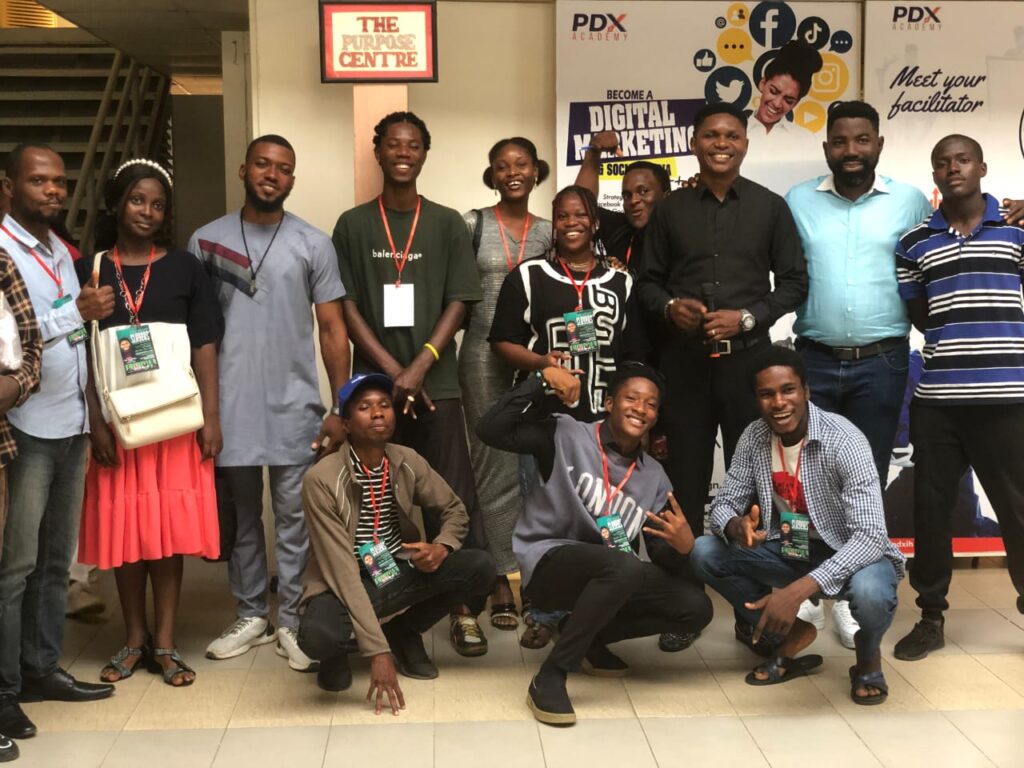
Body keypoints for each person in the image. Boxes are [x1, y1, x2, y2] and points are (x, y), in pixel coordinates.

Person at [189, 134, 350, 671]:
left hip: (294, 407)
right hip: (228, 408)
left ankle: (293, 621)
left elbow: (333, 330)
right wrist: (203, 411)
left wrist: (339, 405)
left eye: (283, 168)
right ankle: (252, 613)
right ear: (243, 170)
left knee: (292, 518)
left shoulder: (312, 242)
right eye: (263, 164)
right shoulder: (206, 242)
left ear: (292, 179)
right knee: (239, 519)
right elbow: (196, 334)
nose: (272, 174)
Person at [332, 111, 490, 657]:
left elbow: (460, 301)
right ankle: (386, 612)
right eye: (394, 144)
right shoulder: (352, 224)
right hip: (374, 393)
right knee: (376, 503)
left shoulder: (447, 223)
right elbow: (346, 306)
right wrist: (390, 375)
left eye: (414, 145)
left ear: (425, 153)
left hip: (436, 383)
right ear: (377, 152)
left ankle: (464, 611)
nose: (403, 152)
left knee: (451, 494)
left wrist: (421, 362)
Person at [477, 362, 712, 726]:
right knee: (623, 566)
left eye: (650, 404)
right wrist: (539, 379)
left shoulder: (654, 477)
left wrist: (684, 547)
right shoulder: (566, 433)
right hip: (549, 564)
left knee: (696, 607)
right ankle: (551, 676)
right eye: (631, 398)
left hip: (612, 574)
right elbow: (489, 430)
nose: (641, 409)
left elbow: (662, 552)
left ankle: (587, 638)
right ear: (608, 402)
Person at [783, 100, 932, 649]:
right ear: (828, 149)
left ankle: (847, 597)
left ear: (878, 144)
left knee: (861, 482)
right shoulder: (798, 200)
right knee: (801, 481)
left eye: (862, 140)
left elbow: (943, 248)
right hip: (814, 361)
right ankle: (805, 592)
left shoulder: (910, 200)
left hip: (883, 361)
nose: (852, 151)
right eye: (841, 142)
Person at [76, 159, 223, 687]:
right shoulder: (87, 270)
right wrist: (94, 421)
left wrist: (212, 417)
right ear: (117, 203)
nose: (147, 211)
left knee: (166, 537)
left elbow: (206, 344)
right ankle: (132, 639)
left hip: (176, 424)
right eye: (138, 200)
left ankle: (164, 643)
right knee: (127, 535)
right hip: (117, 426)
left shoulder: (185, 267)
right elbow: (78, 355)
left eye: (158, 204)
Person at [690, 346, 904, 705]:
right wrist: (735, 526)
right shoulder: (754, 437)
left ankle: (867, 655)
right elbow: (723, 506)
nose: (778, 402)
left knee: (871, 595)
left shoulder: (844, 440)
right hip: (792, 549)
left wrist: (796, 592)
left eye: (788, 390)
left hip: (853, 553)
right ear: (756, 400)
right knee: (703, 551)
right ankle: (791, 633)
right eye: (766, 394)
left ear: (806, 391)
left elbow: (870, 536)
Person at [637, 102, 806, 535]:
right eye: (712, 135)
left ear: (745, 145)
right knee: (684, 481)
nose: (722, 144)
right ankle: (685, 591)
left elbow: (794, 283)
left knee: (753, 480)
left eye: (732, 136)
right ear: (695, 144)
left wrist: (747, 318)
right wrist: (672, 309)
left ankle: (752, 584)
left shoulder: (770, 207)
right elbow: (647, 284)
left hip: (748, 366)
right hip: (684, 364)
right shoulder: (669, 210)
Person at [893, 134, 1024, 661]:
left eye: (963, 160)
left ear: (983, 167)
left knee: (1017, 511)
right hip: (940, 401)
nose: (954, 169)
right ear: (935, 174)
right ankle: (930, 617)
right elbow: (921, 316)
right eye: (943, 162)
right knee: (932, 511)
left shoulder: (1015, 229)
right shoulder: (914, 243)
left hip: (1007, 397)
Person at [0, 143, 114, 747]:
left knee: (54, 563)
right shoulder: (1, 252)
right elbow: (15, 339)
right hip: (25, 427)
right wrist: (76, 310)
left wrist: (93, 411)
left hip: (70, 423)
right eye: (39, 181)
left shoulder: (60, 252)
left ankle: (42, 668)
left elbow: (76, 343)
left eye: (59, 183)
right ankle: (5, 689)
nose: (52, 191)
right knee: (14, 567)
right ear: (10, 185)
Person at [297, 374, 495, 713]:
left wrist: (442, 547)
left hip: (391, 570)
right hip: (342, 582)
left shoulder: (405, 460)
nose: (377, 413)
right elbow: (342, 572)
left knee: (480, 567)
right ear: (345, 423)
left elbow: (455, 510)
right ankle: (339, 650)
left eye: (384, 405)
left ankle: (404, 632)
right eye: (364, 407)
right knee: (318, 636)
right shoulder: (322, 479)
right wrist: (377, 653)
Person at [459, 137, 552, 634]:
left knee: (536, 470)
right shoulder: (471, 225)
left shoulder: (551, 231)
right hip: (479, 358)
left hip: (534, 360)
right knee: (492, 466)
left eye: (521, 164)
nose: (512, 172)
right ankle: (500, 576)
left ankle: (537, 579)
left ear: (537, 172)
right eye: (502, 166)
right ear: (491, 174)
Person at [490, 184, 647, 422]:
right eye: (562, 216)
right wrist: (541, 362)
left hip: (605, 418)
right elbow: (501, 342)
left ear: (595, 222)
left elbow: (634, 352)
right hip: (542, 416)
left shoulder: (620, 281)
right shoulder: (529, 275)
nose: (571, 222)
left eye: (581, 215)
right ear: (554, 225)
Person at [575, 131, 673, 274]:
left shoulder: (683, 234)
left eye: (643, 191)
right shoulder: (621, 230)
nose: (633, 200)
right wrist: (593, 152)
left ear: (666, 196)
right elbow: (580, 206)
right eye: (626, 195)